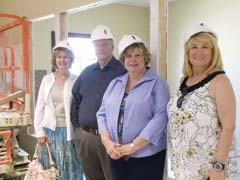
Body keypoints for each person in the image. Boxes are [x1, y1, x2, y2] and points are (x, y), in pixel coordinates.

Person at [167, 22, 238, 180]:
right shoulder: (183, 81)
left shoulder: (220, 81)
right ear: (187, 51)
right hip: (184, 168)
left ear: (213, 51)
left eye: (205, 46)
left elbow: (229, 127)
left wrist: (218, 168)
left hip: (209, 171)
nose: (199, 52)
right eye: (194, 47)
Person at [96, 34, 170, 180]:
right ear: (123, 59)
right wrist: (107, 142)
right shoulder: (115, 83)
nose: (133, 59)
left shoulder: (157, 83)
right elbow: (101, 114)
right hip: (116, 154)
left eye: (138, 55)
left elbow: (161, 116)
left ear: (145, 58)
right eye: (128, 55)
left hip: (146, 155)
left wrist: (133, 147)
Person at [71, 25, 126, 180]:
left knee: (113, 177)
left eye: (104, 44)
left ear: (112, 45)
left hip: (111, 139)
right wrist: (77, 130)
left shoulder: (123, 71)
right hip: (86, 137)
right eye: (97, 44)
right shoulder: (86, 72)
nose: (100, 47)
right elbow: (75, 100)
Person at [34, 40, 84, 180]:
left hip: (70, 133)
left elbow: (81, 107)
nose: (62, 60)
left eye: (66, 56)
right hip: (50, 132)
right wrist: (39, 133)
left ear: (71, 59)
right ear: (55, 59)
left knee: (71, 167)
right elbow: (40, 107)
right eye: (59, 57)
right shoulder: (47, 80)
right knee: (52, 169)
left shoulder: (77, 80)